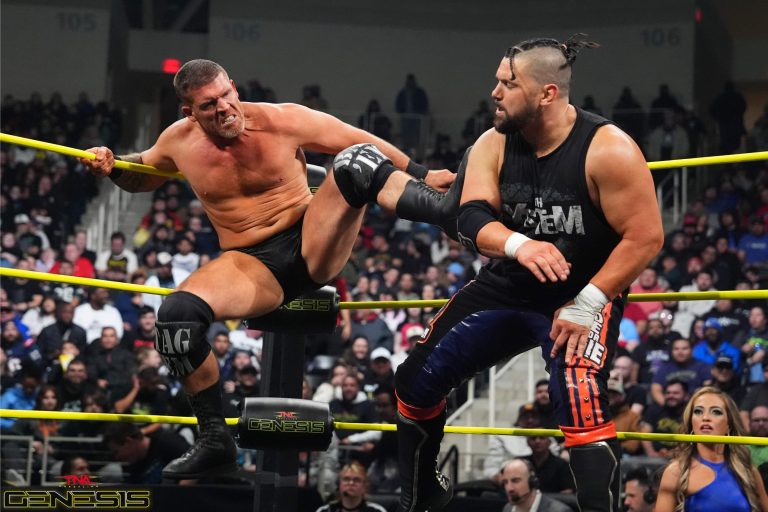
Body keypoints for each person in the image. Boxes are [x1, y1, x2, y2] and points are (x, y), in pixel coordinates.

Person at [79, 58, 455, 480]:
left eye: (226, 96)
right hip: (252, 264)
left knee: (356, 160)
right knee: (174, 319)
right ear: (190, 113)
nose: (223, 108)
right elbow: (143, 173)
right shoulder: (178, 141)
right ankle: (214, 439)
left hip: (312, 238)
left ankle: (448, 215)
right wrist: (112, 164)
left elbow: (359, 139)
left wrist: (422, 174)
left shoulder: (282, 119)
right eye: (209, 105)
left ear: (234, 87)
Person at [394, 35, 663, 512]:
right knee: (414, 380)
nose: (495, 92)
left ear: (547, 94)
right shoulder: (493, 142)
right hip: (508, 284)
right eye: (498, 80)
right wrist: (521, 245)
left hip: (582, 290)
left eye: (509, 83)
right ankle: (421, 496)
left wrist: (589, 301)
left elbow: (645, 237)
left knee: (578, 392)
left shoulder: (608, 149)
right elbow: (471, 217)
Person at [655, 386, 768, 511]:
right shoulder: (676, 471)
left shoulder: (746, 470)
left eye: (716, 412)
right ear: (691, 422)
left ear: (729, 425)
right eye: (698, 411)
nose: (705, 418)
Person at [499, 458, 571, 512]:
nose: (509, 488)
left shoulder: (559, 511)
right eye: (505, 482)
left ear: (532, 482)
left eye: (515, 481)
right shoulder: (508, 508)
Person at [315, 461, 387, 512]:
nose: (351, 483)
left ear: (364, 486)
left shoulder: (377, 511)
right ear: (339, 484)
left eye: (356, 480)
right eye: (346, 479)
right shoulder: (325, 510)